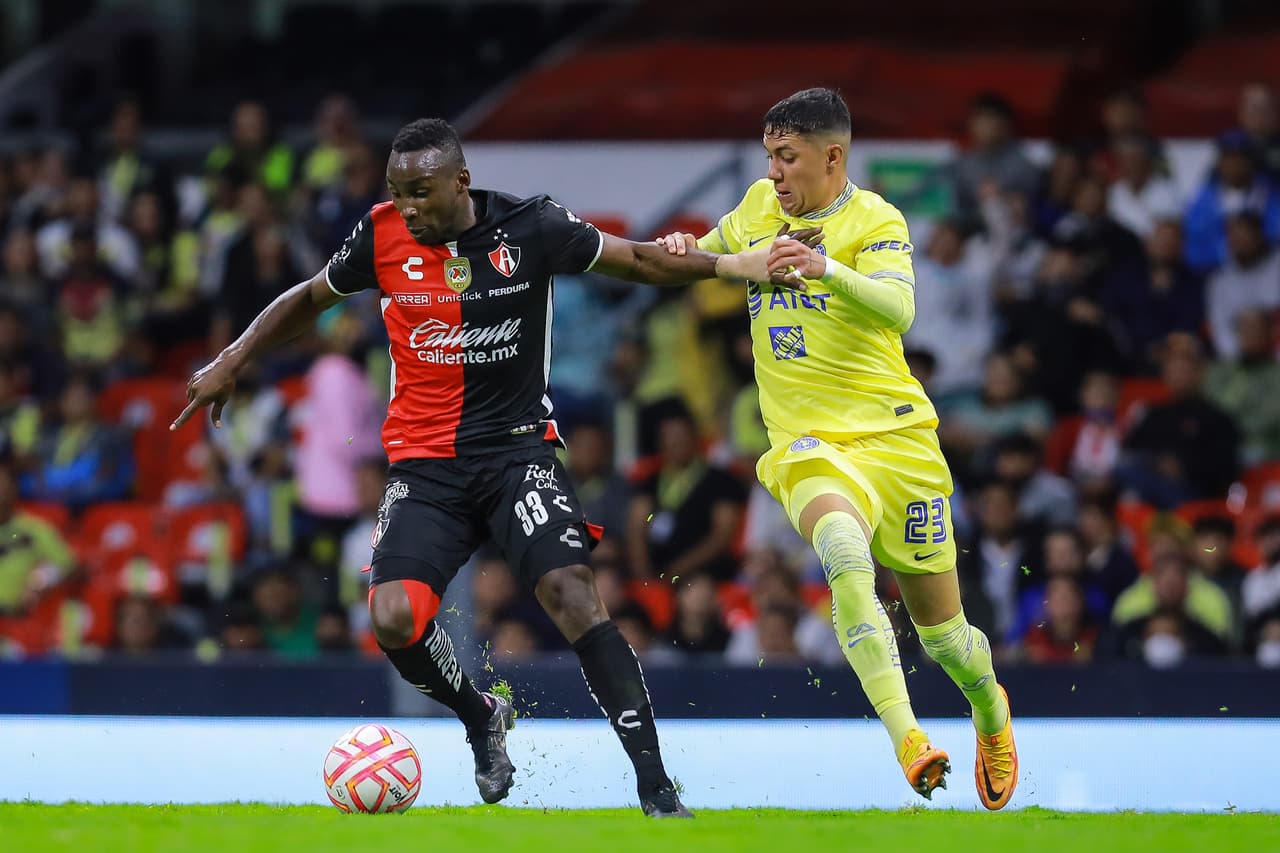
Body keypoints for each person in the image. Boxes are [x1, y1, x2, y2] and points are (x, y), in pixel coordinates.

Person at [171, 117, 785, 818]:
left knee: (572, 592)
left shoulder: (533, 227)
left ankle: (656, 788)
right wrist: (232, 359)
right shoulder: (380, 235)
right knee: (393, 617)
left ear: (460, 182)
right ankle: (479, 715)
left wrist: (734, 265)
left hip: (517, 453)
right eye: (397, 191)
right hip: (424, 469)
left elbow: (640, 262)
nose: (407, 207)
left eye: (420, 192)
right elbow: (311, 297)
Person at [658, 88, 1018, 809]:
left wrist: (825, 270)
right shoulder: (758, 206)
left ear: (832, 157)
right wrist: (682, 250)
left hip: (897, 439)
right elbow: (710, 256)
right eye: (769, 156)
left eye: (787, 157)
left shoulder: (875, 218)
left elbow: (900, 308)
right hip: (809, 444)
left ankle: (990, 708)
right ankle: (909, 738)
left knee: (946, 639)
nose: (774, 172)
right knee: (845, 558)